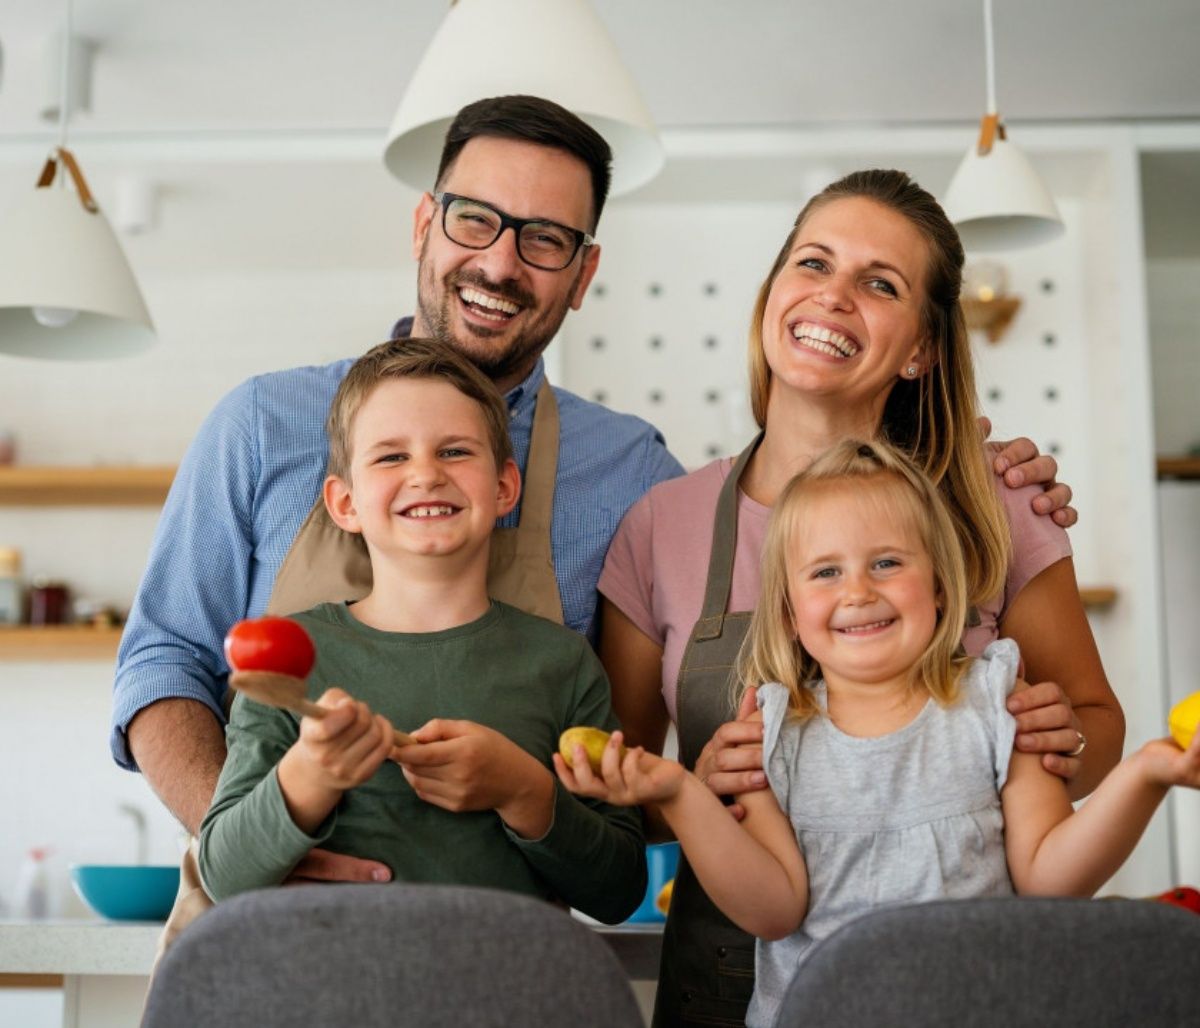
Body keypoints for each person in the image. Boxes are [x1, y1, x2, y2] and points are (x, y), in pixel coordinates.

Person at [110, 95, 684, 879]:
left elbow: (663, 738)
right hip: (266, 935)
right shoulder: (260, 423)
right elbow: (164, 662)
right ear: (425, 225)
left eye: (546, 239)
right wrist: (266, 843)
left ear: (583, 275)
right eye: (475, 218)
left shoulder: (633, 472)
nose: (500, 264)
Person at [596, 169, 1122, 1025]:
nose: (833, 296)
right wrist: (694, 789)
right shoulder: (662, 523)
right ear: (773, 295)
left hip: (962, 986)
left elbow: (1096, 720)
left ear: (921, 348)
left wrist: (1028, 755)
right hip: (731, 996)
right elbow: (615, 817)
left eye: (880, 284)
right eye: (814, 263)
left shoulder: (996, 501)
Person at [563, 439, 1195, 1028]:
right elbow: (772, 909)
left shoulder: (999, 703)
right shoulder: (769, 733)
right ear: (788, 612)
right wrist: (679, 791)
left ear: (943, 590)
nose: (858, 591)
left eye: (887, 562)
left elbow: (1052, 879)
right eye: (825, 573)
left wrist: (1147, 774)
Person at [199, 338, 645, 923]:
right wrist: (311, 773)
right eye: (390, 457)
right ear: (344, 503)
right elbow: (223, 876)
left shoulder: (562, 662)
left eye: (456, 451)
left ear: (504, 487)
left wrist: (523, 792)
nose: (426, 474)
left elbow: (619, 890)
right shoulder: (290, 662)